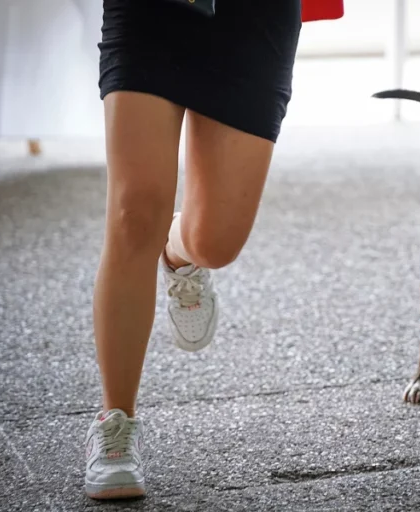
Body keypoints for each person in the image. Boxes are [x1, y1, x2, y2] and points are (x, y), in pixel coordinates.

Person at [84, 0, 301, 499]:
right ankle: (116, 422)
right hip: (151, 12)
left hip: (254, 18)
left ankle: (177, 249)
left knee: (216, 242)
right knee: (135, 211)